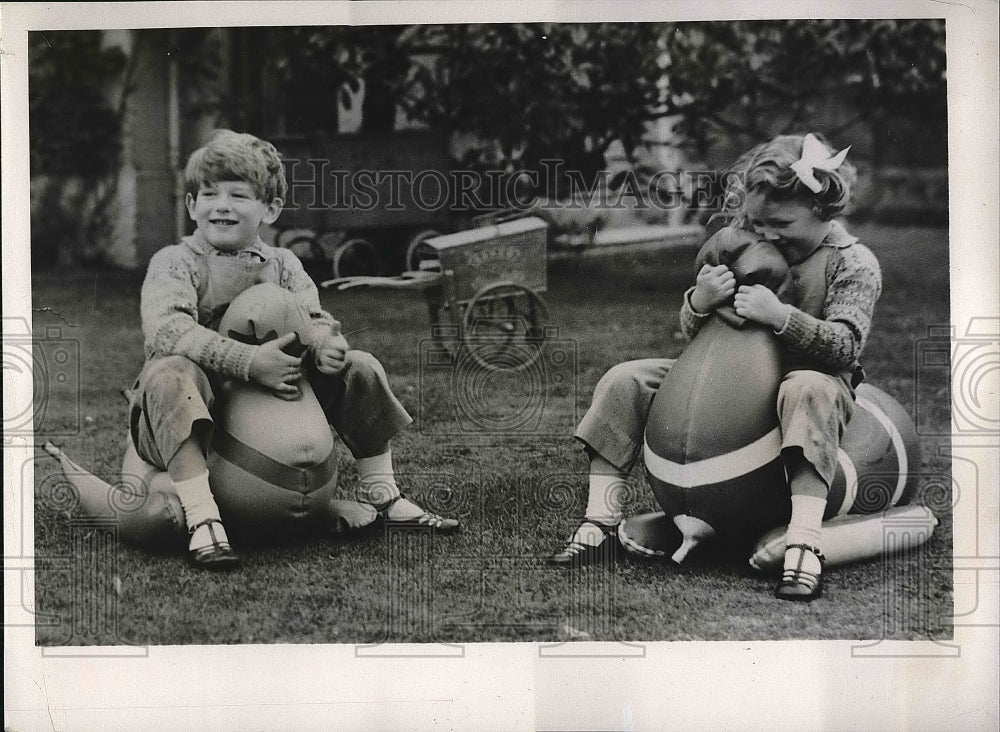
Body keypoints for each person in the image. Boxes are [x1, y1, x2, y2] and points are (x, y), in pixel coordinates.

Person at [547, 132, 881, 602]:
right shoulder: (744, 247)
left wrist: (781, 316)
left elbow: (847, 345)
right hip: (727, 389)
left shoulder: (853, 263)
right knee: (627, 378)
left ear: (823, 208)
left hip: (800, 382)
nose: (765, 234)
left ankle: (804, 540)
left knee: (808, 388)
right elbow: (696, 334)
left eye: (779, 223)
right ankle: (600, 519)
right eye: (756, 222)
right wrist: (700, 301)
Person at [131, 129, 459, 569]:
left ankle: (382, 491)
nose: (221, 205)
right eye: (209, 194)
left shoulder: (283, 264)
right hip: (189, 407)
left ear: (270, 208)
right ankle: (202, 514)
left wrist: (326, 344)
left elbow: (314, 317)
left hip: (264, 400)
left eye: (238, 195)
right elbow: (167, 331)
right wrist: (249, 362)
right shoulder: (175, 262)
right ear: (191, 206)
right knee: (171, 371)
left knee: (360, 366)